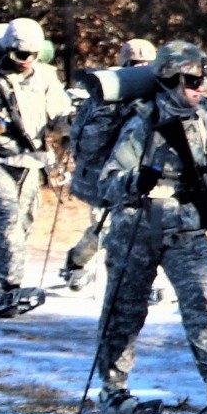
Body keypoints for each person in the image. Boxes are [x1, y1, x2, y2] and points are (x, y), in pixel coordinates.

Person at [93, 41, 207, 414]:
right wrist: (136, 180)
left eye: (202, 79)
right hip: (136, 228)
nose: (199, 87)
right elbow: (107, 184)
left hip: (186, 227)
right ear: (170, 80)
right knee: (125, 311)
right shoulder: (141, 122)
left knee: (199, 305)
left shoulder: (202, 123)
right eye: (191, 80)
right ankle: (112, 389)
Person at [0, 18, 73, 317]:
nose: (26, 61)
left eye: (32, 55)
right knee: (8, 221)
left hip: (30, 163)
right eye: (20, 55)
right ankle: (9, 287)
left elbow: (59, 114)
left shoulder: (45, 78)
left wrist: (69, 126)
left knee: (22, 225)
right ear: (8, 49)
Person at [62, 38, 157, 290]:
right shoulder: (106, 94)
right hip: (107, 176)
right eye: (135, 64)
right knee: (103, 230)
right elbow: (86, 138)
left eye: (146, 64)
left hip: (142, 174)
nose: (140, 69)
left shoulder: (157, 93)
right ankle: (76, 262)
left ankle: (142, 283)